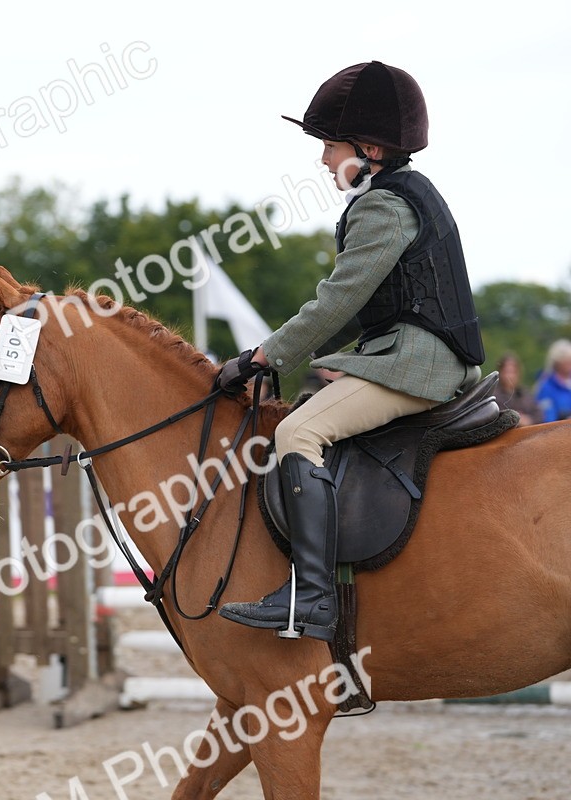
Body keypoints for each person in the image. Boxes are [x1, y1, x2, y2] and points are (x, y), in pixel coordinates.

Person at [216, 62, 484, 642]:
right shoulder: (402, 196)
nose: (322, 160)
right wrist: (286, 358)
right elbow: (358, 312)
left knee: (297, 435)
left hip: (419, 362)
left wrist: (263, 357)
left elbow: (335, 302)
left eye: (329, 145)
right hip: (410, 350)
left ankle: (312, 599)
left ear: (369, 147)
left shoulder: (382, 206)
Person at [496, 353, 541, 426]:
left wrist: (529, 420)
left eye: (513, 372)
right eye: (507, 372)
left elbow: (539, 415)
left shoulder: (526, 394)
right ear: (500, 373)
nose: (510, 376)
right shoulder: (494, 396)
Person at [534, 339, 571, 423]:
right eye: (567, 360)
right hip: (560, 431)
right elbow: (547, 417)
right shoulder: (546, 386)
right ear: (557, 362)